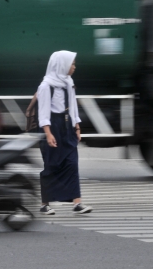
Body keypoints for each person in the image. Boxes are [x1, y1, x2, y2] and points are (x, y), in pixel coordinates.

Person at [37, 50, 93, 215]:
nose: (74, 67)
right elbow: (43, 112)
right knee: (51, 164)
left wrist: (77, 126)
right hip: (52, 126)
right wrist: (48, 133)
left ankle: (77, 203)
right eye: (72, 64)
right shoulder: (46, 86)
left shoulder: (68, 82)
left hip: (67, 125)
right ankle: (44, 204)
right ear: (62, 65)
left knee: (72, 163)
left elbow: (73, 106)